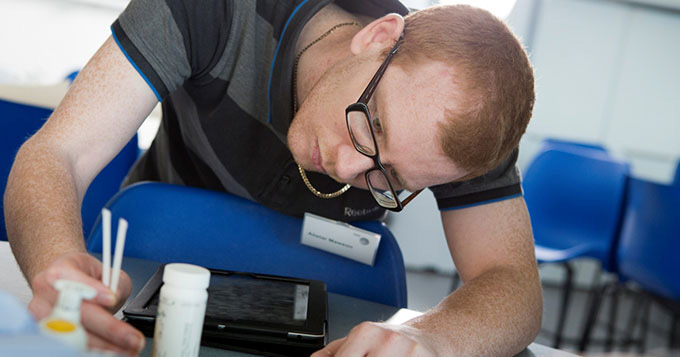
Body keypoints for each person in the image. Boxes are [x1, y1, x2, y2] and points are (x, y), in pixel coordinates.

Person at [4, 0, 541, 355]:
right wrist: (58, 272)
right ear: (377, 37)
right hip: (147, 298)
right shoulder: (212, 10)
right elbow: (58, 154)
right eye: (371, 123)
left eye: (390, 176)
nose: (348, 170)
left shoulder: (465, 119)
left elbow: (513, 284)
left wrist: (428, 339)